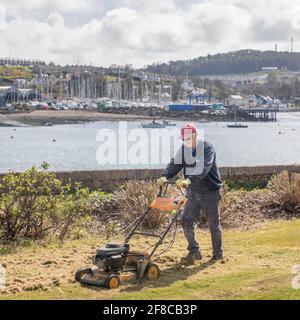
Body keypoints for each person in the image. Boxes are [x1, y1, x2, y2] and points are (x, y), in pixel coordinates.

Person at [157, 123, 223, 265]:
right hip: (194, 192)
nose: (187, 141)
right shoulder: (184, 149)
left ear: (195, 135)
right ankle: (194, 250)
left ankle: (217, 255)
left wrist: (188, 180)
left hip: (210, 192)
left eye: (189, 137)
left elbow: (203, 168)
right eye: (184, 138)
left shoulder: (206, 148)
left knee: (213, 224)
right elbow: (175, 164)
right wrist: (165, 176)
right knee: (186, 220)